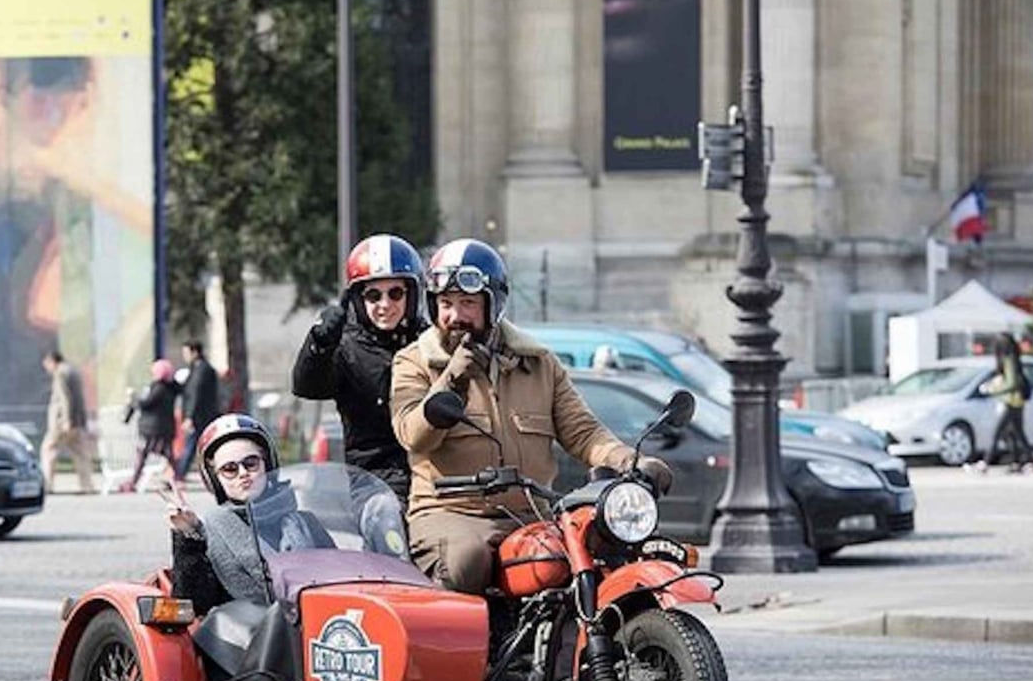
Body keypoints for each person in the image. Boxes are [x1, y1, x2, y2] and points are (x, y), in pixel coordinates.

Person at [390, 238, 674, 594]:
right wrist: (452, 380)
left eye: (467, 303)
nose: (455, 316)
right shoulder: (414, 362)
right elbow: (413, 434)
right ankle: (466, 647)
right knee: (466, 561)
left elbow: (583, 432)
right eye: (445, 304)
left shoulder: (538, 363)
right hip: (451, 514)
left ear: (493, 306)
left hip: (531, 515)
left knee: (588, 555)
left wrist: (632, 461)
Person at [292, 234, 427, 502]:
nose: (385, 304)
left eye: (396, 293)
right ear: (357, 300)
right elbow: (309, 386)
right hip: (376, 484)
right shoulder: (345, 347)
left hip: (433, 477)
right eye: (373, 295)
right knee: (388, 526)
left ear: (411, 295)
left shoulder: (430, 343)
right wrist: (319, 344)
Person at [164, 414, 334, 616]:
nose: (243, 473)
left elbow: (341, 581)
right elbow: (193, 604)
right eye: (229, 469)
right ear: (216, 479)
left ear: (267, 465)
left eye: (251, 463)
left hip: (317, 631)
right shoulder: (208, 530)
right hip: (249, 640)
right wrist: (187, 536)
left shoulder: (305, 522)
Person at [970, 333, 1033, 474]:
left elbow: (1011, 383)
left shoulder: (1008, 360)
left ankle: (985, 463)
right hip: (1018, 401)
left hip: (1010, 401)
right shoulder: (1016, 358)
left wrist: (993, 390)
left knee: (998, 433)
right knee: (1016, 433)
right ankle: (1023, 462)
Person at [120, 359, 180, 493]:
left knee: (144, 455)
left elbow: (147, 404)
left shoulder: (159, 387)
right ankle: (176, 479)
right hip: (164, 427)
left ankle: (134, 482)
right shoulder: (172, 387)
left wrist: (134, 399)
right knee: (166, 455)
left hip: (153, 428)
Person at [41, 350, 97, 494]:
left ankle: (47, 485)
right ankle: (87, 485)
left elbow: (65, 398)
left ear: (52, 361)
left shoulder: (60, 374)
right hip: (78, 421)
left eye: (47, 364)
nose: (47, 368)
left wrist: (66, 420)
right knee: (81, 454)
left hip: (61, 422)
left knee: (48, 451)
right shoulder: (74, 372)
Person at [174, 340, 221, 483]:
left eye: (186, 353)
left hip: (201, 416)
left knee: (192, 445)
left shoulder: (202, 370)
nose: (185, 356)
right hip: (199, 416)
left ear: (195, 352)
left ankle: (179, 476)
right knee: (202, 447)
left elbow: (196, 394)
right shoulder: (196, 368)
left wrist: (189, 417)